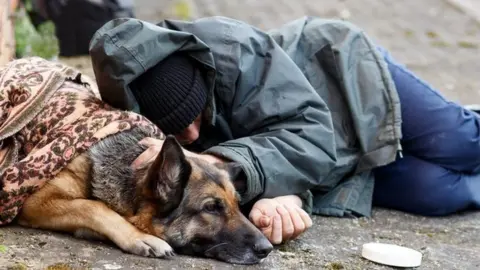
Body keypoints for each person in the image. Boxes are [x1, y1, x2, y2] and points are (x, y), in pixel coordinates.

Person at [88, 16, 480, 245]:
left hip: (345, 79)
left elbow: (309, 130)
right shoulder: (133, 113)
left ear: (200, 77)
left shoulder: (232, 48)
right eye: (176, 128)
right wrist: (285, 196)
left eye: (195, 115)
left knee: (460, 143)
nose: (190, 135)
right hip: (330, 161)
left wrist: (217, 160)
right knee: (437, 192)